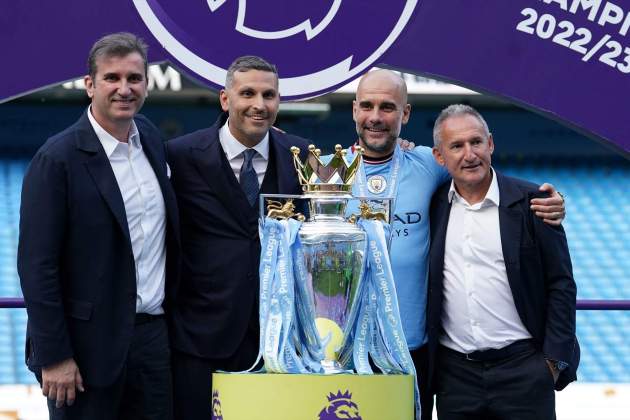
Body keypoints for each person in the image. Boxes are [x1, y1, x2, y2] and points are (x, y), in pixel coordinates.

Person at [342, 69, 566, 419]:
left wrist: (552, 363)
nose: (375, 116)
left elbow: (560, 284)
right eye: (367, 106)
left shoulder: (435, 170)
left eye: (387, 107)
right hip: (380, 355)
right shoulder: (327, 171)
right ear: (354, 110)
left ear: (405, 114)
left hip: (452, 357)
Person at [18, 32, 180, 419]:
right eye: (112, 78)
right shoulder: (56, 159)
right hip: (84, 354)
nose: (124, 89)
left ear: (146, 84)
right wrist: (55, 357)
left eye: (134, 78)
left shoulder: (153, 141)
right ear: (90, 85)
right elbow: (37, 266)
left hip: (152, 344)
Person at [166, 56, 309, 420]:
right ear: (225, 99)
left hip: (278, 340)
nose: (259, 105)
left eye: (269, 95)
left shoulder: (301, 156)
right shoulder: (181, 156)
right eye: (247, 93)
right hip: (200, 338)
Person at [427, 104, 579, 420]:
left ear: (491, 144)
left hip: (525, 371)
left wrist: (552, 365)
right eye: (456, 146)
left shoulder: (534, 202)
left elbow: (561, 284)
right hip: (456, 377)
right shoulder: (433, 205)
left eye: (476, 142)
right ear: (440, 157)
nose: (469, 154)